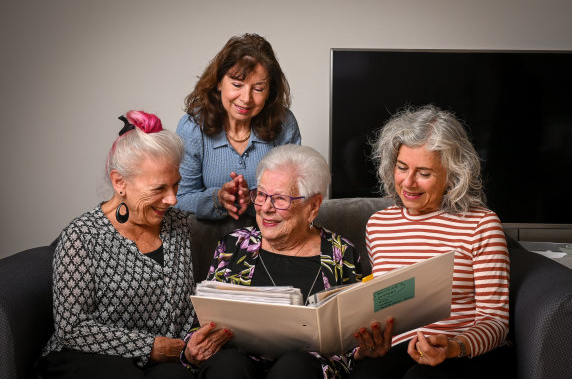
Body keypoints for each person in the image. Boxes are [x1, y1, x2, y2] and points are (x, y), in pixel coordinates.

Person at [37, 111, 232, 379]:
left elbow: (184, 312)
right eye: (159, 189)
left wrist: (191, 344)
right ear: (120, 183)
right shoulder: (82, 236)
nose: (173, 199)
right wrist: (149, 347)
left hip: (164, 361)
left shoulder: (177, 224)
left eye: (176, 186)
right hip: (86, 358)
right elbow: (72, 328)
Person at [349, 105, 511, 379]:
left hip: (463, 352)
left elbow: (495, 322)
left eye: (424, 173)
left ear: (453, 174)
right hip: (398, 351)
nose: (408, 183)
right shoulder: (379, 225)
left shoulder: (481, 224)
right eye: (402, 168)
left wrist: (453, 347)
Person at [180, 144, 361, 378]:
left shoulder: (341, 253)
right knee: (228, 364)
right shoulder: (233, 246)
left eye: (280, 199)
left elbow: (350, 340)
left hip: (303, 368)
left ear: (313, 206)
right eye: (262, 195)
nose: (266, 208)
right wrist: (192, 351)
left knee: (295, 365)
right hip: (238, 362)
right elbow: (202, 326)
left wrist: (361, 349)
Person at [176, 33, 301, 221]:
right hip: (210, 241)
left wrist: (253, 198)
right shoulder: (192, 127)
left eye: (258, 89)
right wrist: (218, 198)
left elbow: (294, 195)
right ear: (219, 82)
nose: (246, 98)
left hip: (270, 236)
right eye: (237, 84)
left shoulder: (284, 124)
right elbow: (180, 198)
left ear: (270, 92)